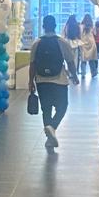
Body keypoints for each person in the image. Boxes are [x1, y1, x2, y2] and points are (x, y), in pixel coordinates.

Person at [28, 14, 78, 149]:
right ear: (55, 26)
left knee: (46, 109)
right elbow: (70, 62)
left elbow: (32, 64)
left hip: (41, 81)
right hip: (59, 80)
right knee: (62, 107)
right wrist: (74, 76)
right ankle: (52, 127)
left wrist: (30, 82)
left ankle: (50, 135)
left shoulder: (36, 43)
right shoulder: (62, 42)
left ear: (43, 26)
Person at [79, 14, 99, 81]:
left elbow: (79, 34)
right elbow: (95, 34)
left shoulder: (80, 26)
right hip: (91, 43)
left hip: (83, 43)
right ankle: (93, 73)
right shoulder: (92, 26)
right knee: (92, 59)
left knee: (83, 60)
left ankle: (83, 73)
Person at [63, 13, 82, 82]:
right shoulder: (77, 25)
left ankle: (69, 72)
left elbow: (64, 34)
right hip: (75, 43)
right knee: (75, 58)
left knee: (68, 58)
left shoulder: (67, 25)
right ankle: (74, 72)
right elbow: (79, 34)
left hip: (68, 42)